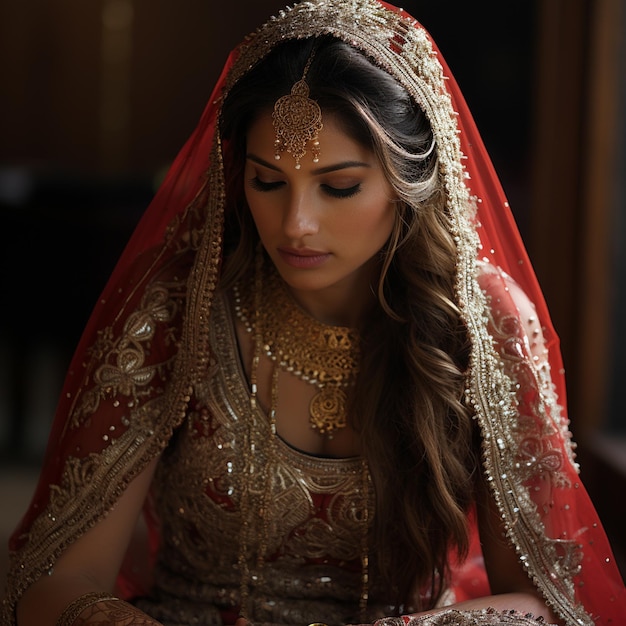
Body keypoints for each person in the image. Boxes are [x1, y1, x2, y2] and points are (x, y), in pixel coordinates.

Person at [2, 1, 625, 625]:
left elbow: (550, 604)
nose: (295, 225)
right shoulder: (181, 305)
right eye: (268, 182)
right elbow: (53, 578)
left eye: (340, 186)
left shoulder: (483, 325)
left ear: (410, 180)